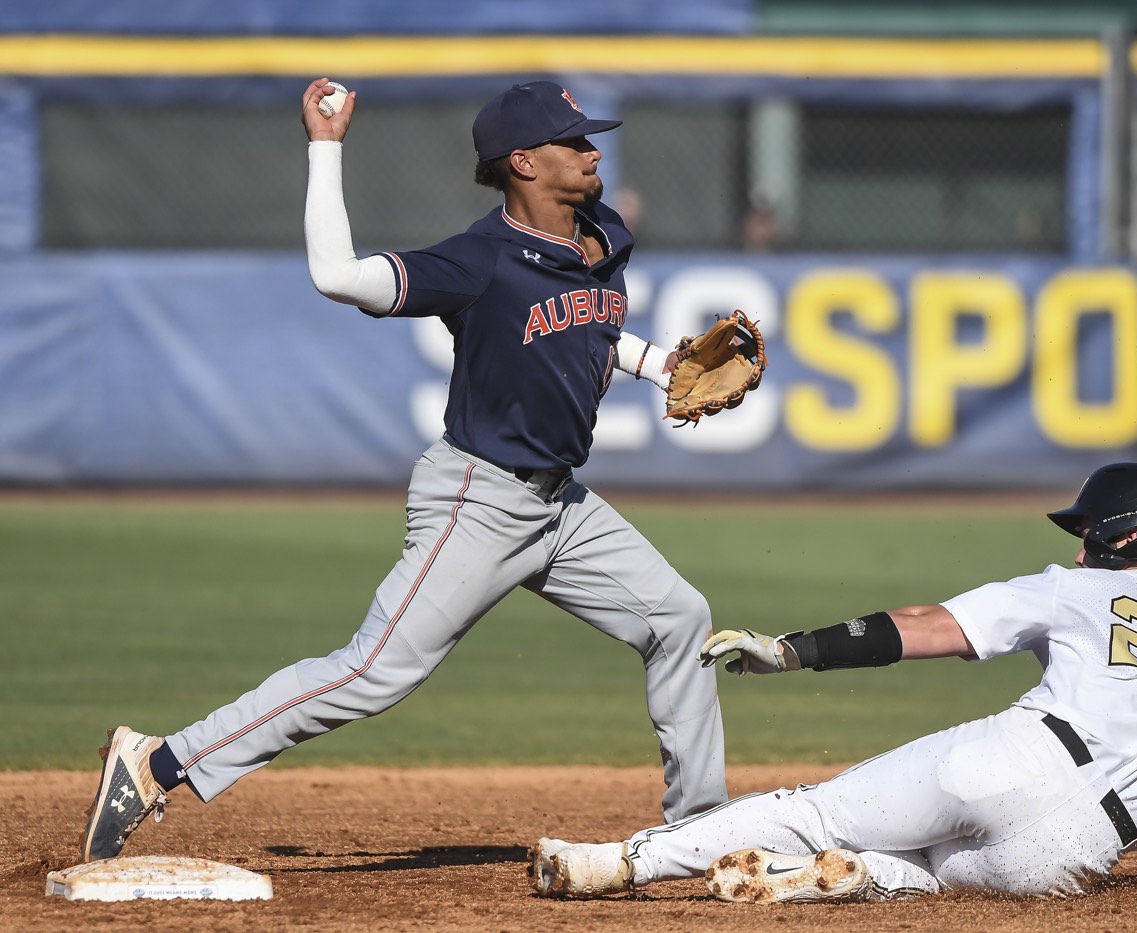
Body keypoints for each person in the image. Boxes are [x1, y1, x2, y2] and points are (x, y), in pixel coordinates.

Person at [80, 78, 730, 862]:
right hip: (480, 499)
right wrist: (326, 148)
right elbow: (336, 276)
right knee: (372, 671)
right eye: (574, 142)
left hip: (561, 505)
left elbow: (589, 328)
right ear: (522, 162)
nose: (593, 151)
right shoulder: (479, 261)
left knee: (678, 618)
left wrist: (661, 364)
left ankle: (701, 829)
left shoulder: (602, 233)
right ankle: (155, 763)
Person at [529, 463, 1137, 903]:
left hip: (1018, 757)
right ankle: (843, 877)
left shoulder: (1078, 587)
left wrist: (798, 650)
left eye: (1091, 530)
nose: (1078, 544)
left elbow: (932, 629)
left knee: (811, 806)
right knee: (932, 874)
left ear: (1127, 538)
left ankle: (616, 862)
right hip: (1075, 852)